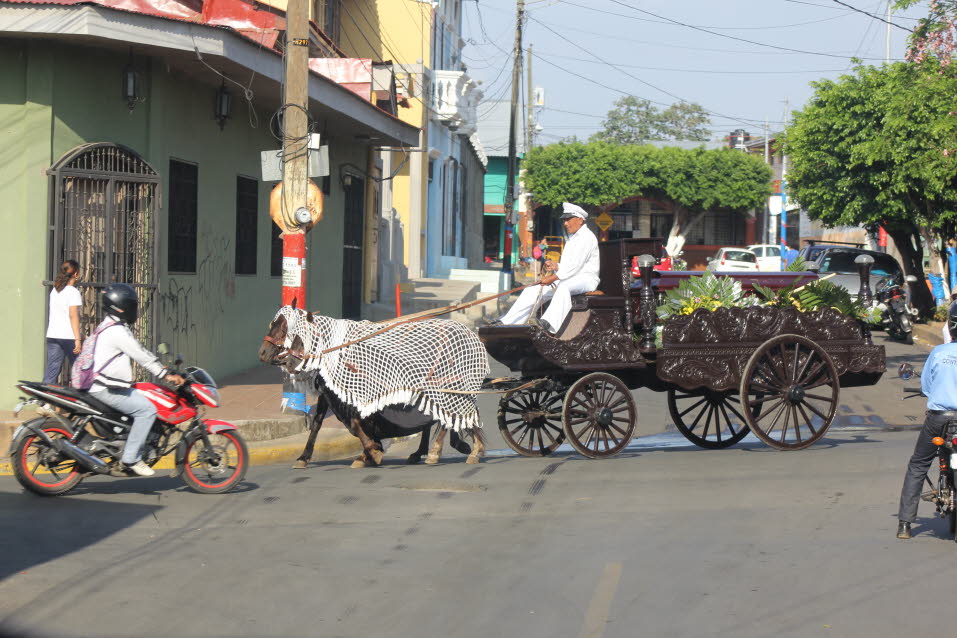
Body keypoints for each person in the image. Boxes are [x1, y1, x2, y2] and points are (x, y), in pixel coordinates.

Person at [88, 283, 185, 477]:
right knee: (147, 410)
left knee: (145, 395)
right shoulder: (117, 331)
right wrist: (165, 374)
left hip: (107, 384)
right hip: (105, 387)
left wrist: (161, 367)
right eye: (132, 305)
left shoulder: (110, 324)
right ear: (121, 306)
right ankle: (131, 457)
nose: (135, 310)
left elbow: (139, 351)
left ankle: (129, 443)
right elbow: (140, 354)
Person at [896, 300, 957, 539]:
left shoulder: (939, 353)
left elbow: (927, 387)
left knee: (919, 464)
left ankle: (904, 525)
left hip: (938, 420)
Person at [495, 202, 600, 333]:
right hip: (569, 276)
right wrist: (556, 266)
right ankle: (507, 323)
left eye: (568, 219)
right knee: (532, 290)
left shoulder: (587, 238)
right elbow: (570, 266)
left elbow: (575, 267)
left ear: (580, 220)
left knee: (563, 287)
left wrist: (553, 278)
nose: (565, 223)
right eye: (564, 220)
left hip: (585, 279)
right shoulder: (573, 238)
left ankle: (548, 324)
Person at [44, 260, 83, 384]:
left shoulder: (55, 291)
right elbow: (73, 315)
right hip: (68, 336)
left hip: (53, 335)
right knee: (81, 369)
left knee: (52, 370)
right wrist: (77, 339)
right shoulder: (73, 292)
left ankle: (45, 400)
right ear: (76, 273)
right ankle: (85, 398)